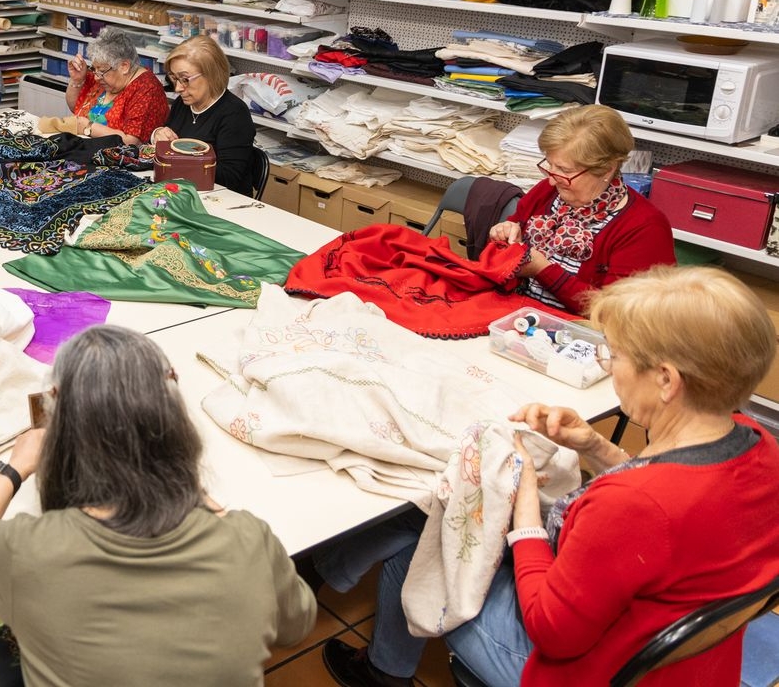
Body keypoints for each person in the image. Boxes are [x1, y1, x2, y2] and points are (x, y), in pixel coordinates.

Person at [323, 264, 779, 687]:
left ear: (665, 379)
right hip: (692, 666)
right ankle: (379, 659)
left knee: (437, 545)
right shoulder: (756, 443)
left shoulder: (632, 503)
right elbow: (676, 504)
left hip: (587, 672)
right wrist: (594, 446)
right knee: (427, 533)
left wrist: (523, 504)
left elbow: (551, 630)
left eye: (614, 355)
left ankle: (362, 635)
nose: (609, 366)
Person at [0, 325, 316, 687]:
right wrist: (190, 488)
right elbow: (297, 624)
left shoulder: (26, 550)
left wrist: (15, 468)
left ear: (65, 436)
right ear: (175, 427)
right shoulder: (249, 540)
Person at [487, 104, 674, 313]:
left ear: (607, 169)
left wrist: (543, 270)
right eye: (550, 165)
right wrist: (504, 233)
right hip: (517, 316)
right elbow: (510, 236)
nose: (551, 180)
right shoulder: (548, 192)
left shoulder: (644, 228)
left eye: (565, 170)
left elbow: (615, 313)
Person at [151, 34, 258, 194]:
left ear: (211, 75)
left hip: (222, 199)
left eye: (185, 79)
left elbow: (229, 177)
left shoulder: (234, 114)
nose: (178, 88)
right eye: (174, 78)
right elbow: (167, 146)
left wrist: (180, 162)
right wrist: (157, 134)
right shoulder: (184, 103)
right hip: (183, 191)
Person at [64, 28, 170, 145]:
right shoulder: (103, 76)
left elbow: (132, 142)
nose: (96, 77)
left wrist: (88, 127)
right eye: (94, 69)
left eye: (102, 71)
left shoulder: (147, 89)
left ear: (124, 66)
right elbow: (76, 108)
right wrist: (76, 80)